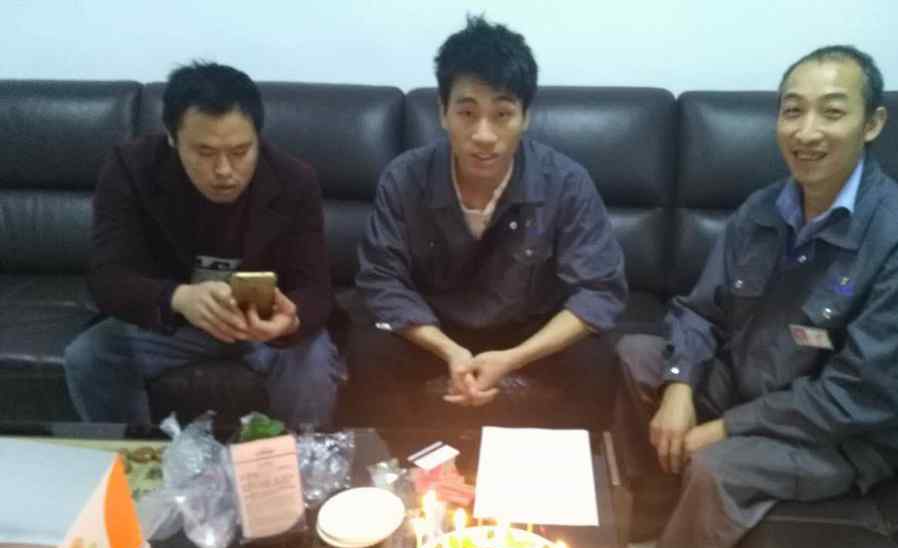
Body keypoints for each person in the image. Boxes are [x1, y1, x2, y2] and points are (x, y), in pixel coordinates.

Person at [614, 46, 898, 548]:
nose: (807, 131)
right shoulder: (763, 210)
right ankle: (652, 512)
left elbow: (860, 397)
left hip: (848, 432)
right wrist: (680, 386)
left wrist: (725, 427)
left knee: (718, 467)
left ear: (873, 123)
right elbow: (699, 311)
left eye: (833, 112)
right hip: (752, 377)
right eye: (793, 111)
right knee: (636, 352)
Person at [356, 16, 626, 417]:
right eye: (467, 113)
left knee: (595, 359)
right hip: (436, 331)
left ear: (526, 116)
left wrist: (515, 357)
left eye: (502, 114)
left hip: (528, 333)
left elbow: (599, 290)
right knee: (369, 349)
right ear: (443, 112)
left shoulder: (566, 182)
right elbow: (382, 280)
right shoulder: (404, 178)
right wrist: (448, 350)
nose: (484, 135)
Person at [65, 62, 344, 429]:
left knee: (312, 360)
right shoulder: (131, 169)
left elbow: (316, 287)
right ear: (172, 137)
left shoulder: (294, 180)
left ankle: (298, 460)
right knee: (89, 355)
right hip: (172, 322)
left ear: (258, 138)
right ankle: (135, 456)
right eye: (205, 152)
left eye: (241, 151)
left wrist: (289, 319)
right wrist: (178, 297)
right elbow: (107, 275)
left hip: (260, 327)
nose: (225, 170)